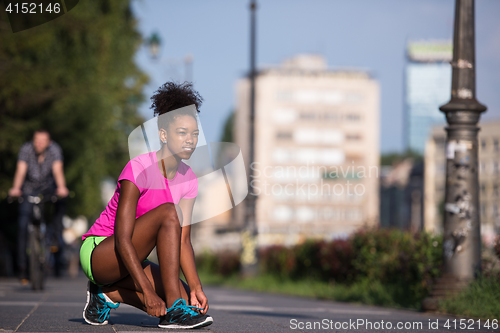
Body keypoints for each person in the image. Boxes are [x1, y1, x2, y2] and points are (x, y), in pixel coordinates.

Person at [79, 82, 213, 329]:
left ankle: (105, 295)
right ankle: (173, 310)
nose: (190, 140)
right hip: (101, 251)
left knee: (189, 301)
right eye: (182, 132)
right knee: (169, 213)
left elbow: (183, 240)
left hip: (132, 255)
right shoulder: (138, 168)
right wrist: (147, 291)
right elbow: (122, 239)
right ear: (163, 134)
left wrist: (196, 287)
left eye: (194, 134)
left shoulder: (190, 179)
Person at [8, 129, 69, 283]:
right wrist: (16, 188)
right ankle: (22, 265)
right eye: (36, 140)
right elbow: (21, 171)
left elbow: (57, 171)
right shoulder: (26, 149)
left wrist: (61, 187)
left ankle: (55, 237)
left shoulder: (54, 150)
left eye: (42, 140)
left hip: (48, 188)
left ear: (49, 142)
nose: (39, 143)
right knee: (22, 223)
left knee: (61, 202)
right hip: (29, 189)